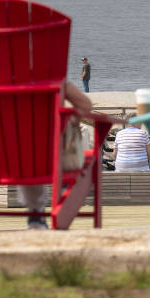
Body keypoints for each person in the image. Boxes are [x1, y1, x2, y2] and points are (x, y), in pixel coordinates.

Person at [16, 79, 94, 229]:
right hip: (51, 161)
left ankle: (35, 213)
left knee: (28, 153)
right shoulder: (53, 79)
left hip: (0, 161)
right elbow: (86, 105)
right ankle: (62, 192)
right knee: (42, 154)